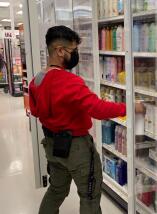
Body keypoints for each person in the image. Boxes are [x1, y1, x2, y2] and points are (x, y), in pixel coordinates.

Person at [29, 25, 145, 214]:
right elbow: (98, 110)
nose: (76, 54)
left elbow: (35, 111)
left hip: (52, 145)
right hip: (76, 149)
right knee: (89, 196)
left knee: (56, 190)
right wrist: (131, 107)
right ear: (60, 51)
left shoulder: (37, 80)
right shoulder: (70, 82)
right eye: (73, 50)